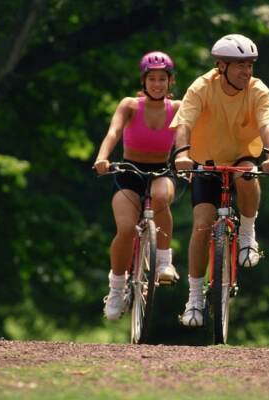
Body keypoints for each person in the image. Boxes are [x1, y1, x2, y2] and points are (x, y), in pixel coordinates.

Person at [171, 34, 269, 327]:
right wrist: (182, 153)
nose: (247, 72)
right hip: (205, 160)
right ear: (221, 66)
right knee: (201, 226)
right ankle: (194, 298)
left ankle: (247, 232)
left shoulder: (258, 90)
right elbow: (184, 124)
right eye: (240, 66)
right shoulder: (201, 87)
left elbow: (268, 127)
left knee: (247, 175)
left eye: (250, 66)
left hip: (242, 155)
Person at [93, 51, 181, 321]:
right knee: (125, 228)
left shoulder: (177, 108)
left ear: (170, 81)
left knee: (160, 197)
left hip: (161, 170)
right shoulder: (130, 105)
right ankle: (117, 288)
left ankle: (164, 262)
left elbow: (185, 139)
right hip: (128, 171)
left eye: (162, 79)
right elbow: (114, 132)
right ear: (143, 81)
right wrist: (102, 157)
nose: (157, 84)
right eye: (152, 78)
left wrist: (188, 160)